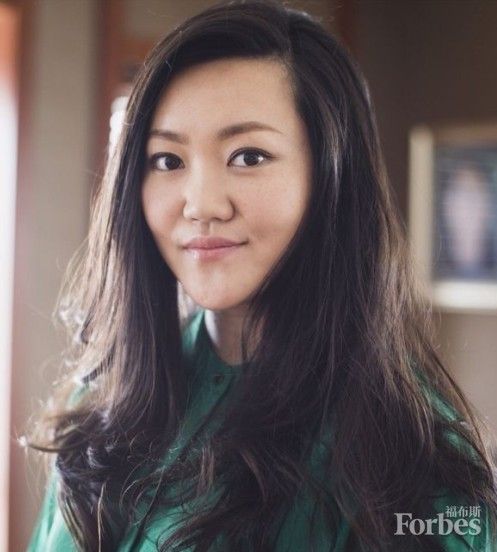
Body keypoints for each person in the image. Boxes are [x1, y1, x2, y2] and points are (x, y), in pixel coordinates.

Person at [23, 1, 497, 550]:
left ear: (332, 178)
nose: (201, 204)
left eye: (248, 156)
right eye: (168, 160)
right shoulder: (104, 405)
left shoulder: (411, 465)